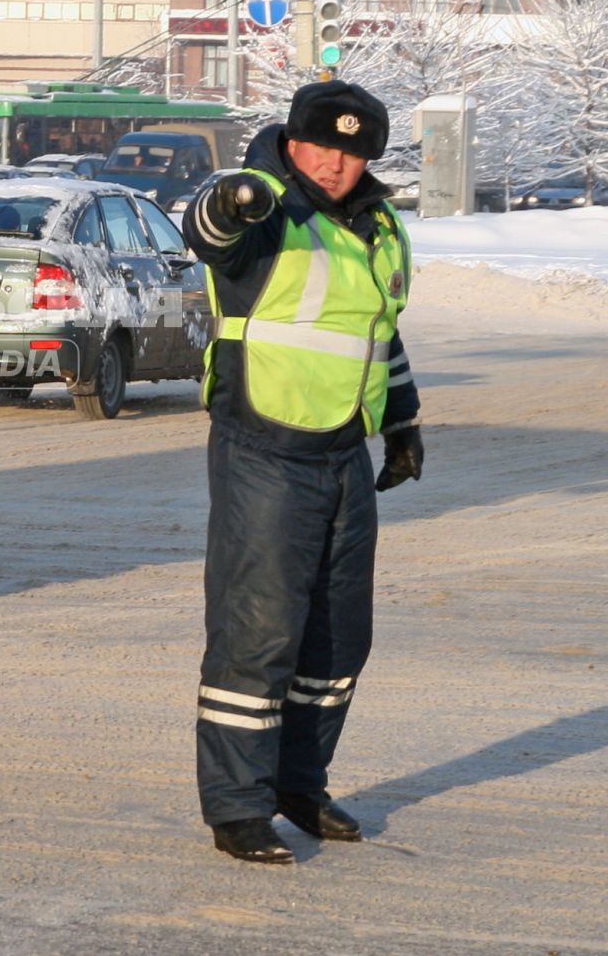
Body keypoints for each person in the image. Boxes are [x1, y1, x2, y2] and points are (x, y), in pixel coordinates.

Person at [180, 79, 425, 864]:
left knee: (338, 640)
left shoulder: (379, 227)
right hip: (264, 448)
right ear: (291, 139)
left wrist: (404, 423)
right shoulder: (265, 208)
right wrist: (238, 197)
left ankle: (299, 784)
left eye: (351, 152)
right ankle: (237, 807)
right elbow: (209, 231)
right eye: (320, 145)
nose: (332, 163)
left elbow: (376, 334)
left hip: (344, 454)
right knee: (257, 635)